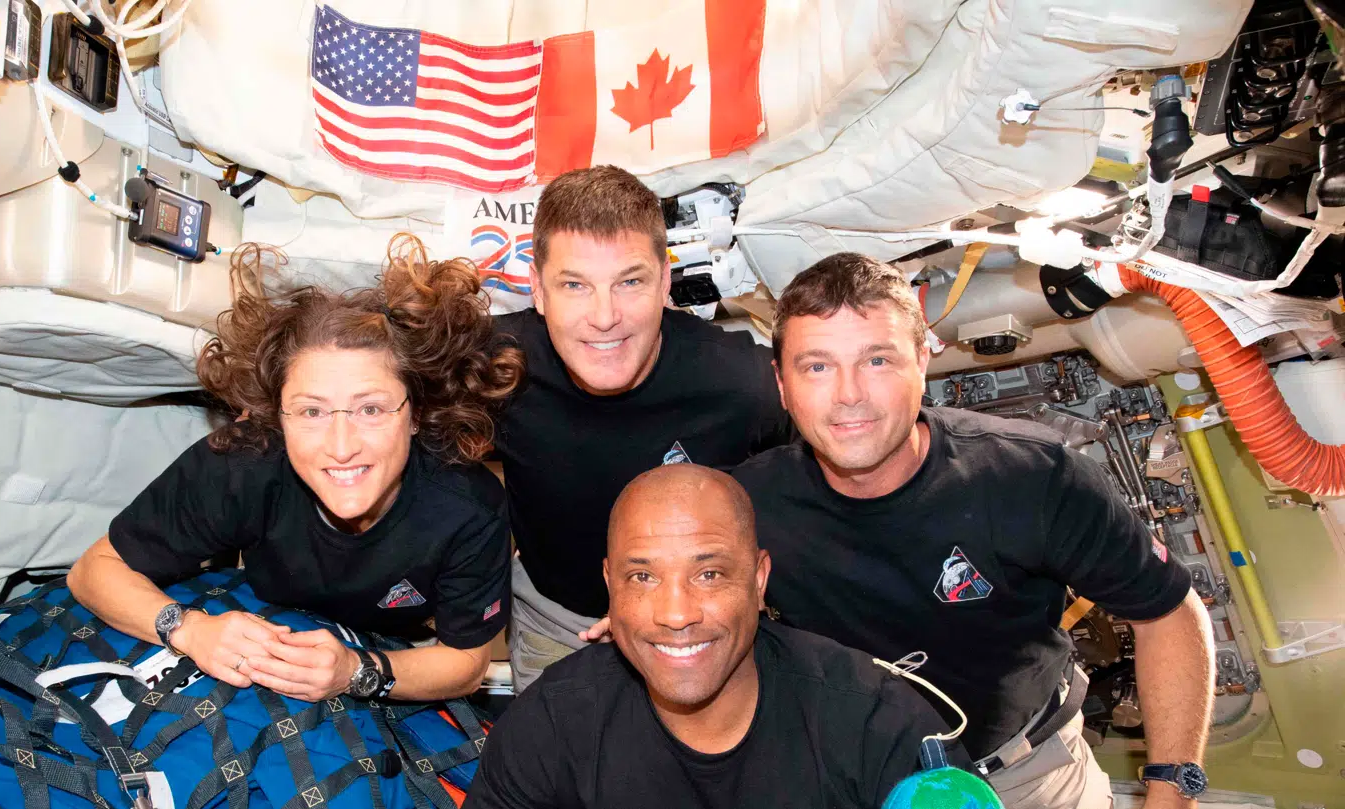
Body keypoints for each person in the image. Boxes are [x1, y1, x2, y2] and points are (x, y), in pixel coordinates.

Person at [730, 253, 1215, 809]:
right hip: (852, 780)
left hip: (1027, 777)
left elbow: (1169, 612)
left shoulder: (1032, 477)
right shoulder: (744, 506)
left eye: (877, 361)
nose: (848, 395)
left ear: (922, 358)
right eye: (817, 366)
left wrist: (1174, 793)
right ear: (782, 384)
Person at [67, 235, 524, 702]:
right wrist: (189, 630)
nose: (341, 447)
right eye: (311, 412)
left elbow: (466, 664)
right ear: (277, 418)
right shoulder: (243, 463)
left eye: (370, 410)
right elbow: (93, 570)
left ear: (417, 414)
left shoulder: (469, 507)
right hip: (256, 624)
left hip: (389, 653)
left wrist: (357, 671)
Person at [465, 464, 966, 809]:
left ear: (758, 578)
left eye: (709, 575)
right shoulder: (552, 725)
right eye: (643, 577)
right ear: (609, 585)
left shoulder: (874, 721)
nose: (677, 615)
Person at [491, 166, 791, 693]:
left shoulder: (740, 382)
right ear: (538, 291)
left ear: (665, 282)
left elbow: (826, 480)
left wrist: (760, 590)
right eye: (574, 285)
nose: (604, 316)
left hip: (698, 626)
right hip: (559, 625)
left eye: (629, 282)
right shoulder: (493, 369)